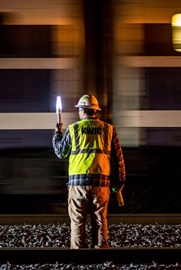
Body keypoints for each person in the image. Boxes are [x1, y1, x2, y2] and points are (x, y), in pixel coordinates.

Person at [52, 94, 126, 249]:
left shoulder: (74, 129)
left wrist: (57, 134)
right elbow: (118, 158)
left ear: (82, 111)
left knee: (78, 220)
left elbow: (60, 152)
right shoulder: (108, 129)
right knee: (100, 220)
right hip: (101, 184)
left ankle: (80, 258)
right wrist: (119, 183)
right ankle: (101, 257)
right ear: (95, 111)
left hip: (77, 185)